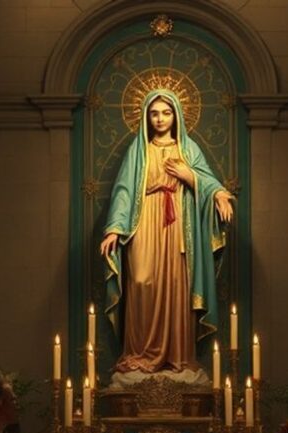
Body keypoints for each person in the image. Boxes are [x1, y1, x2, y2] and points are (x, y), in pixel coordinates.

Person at [100, 89, 234, 376]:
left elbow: (208, 180)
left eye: (166, 112)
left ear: (176, 116)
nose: (160, 119)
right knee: (141, 282)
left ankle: (177, 356)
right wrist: (114, 228)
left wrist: (212, 189)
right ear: (147, 117)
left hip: (178, 230)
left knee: (177, 285)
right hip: (144, 222)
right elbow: (123, 191)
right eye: (154, 113)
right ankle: (139, 353)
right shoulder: (139, 150)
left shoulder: (188, 149)